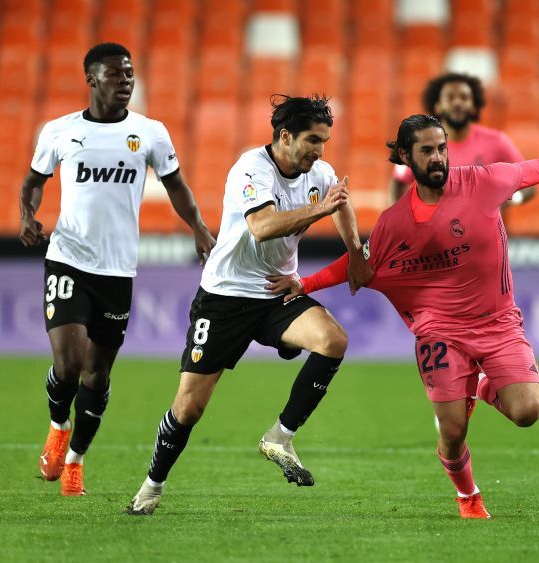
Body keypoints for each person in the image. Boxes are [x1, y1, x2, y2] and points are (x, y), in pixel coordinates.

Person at [266, 115, 539, 519]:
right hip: (439, 333)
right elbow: (358, 267)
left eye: (442, 148)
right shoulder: (394, 223)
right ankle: (469, 497)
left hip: (499, 323)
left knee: (527, 412)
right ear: (406, 157)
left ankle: (479, 383)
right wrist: (305, 284)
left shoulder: (482, 181)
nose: (438, 157)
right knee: (453, 433)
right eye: (427, 150)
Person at [126, 94, 372, 515]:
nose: (319, 150)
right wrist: (321, 208)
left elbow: (340, 203)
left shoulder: (320, 172)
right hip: (224, 297)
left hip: (275, 293)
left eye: (324, 141)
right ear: (285, 135)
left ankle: (281, 436)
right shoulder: (250, 168)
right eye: (312, 140)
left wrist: (355, 253)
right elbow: (261, 227)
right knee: (189, 406)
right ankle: (151, 486)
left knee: (333, 341)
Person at [19, 43, 216, 496]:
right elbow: (33, 182)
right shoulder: (60, 132)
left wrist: (200, 229)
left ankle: (75, 461)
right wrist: (28, 216)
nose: (125, 81)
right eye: (115, 74)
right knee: (68, 366)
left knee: (98, 375)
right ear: (92, 79)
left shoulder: (149, 133)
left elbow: (176, 186)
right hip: (68, 256)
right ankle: (56, 425)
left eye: (129, 73)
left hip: (117, 269)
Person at [390, 72, 535, 207]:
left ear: (473, 106)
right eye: (450, 98)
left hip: (484, 233)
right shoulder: (419, 142)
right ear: (438, 106)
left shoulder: (497, 142)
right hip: (436, 233)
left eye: (464, 98)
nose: (457, 103)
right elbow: (398, 181)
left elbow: (528, 183)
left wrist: (508, 199)